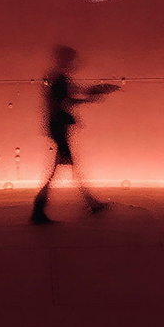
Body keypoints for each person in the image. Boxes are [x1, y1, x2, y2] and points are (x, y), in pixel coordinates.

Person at [31, 45, 119, 224]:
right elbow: (65, 101)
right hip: (59, 128)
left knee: (62, 169)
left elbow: (67, 98)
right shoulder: (59, 80)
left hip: (57, 127)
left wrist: (90, 96)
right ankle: (40, 209)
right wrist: (92, 97)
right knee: (59, 170)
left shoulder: (57, 78)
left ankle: (88, 203)